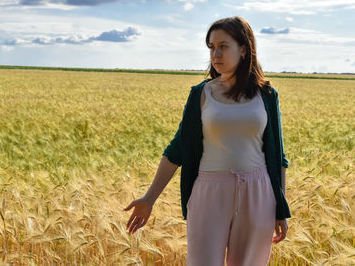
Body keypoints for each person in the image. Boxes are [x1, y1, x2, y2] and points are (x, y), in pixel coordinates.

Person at [124, 16, 291, 266]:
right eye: (211, 47)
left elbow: (278, 155)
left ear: (244, 49)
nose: (216, 54)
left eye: (223, 46)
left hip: (258, 192)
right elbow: (177, 149)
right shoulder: (201, 94)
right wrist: (149, 199)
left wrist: (280, 208)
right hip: (209, 191)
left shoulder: (266, 95)